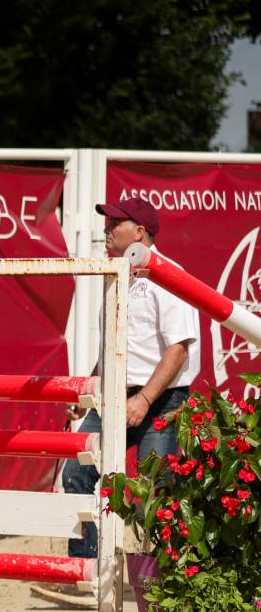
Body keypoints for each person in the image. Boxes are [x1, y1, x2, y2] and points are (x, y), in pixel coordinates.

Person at [63, 197, 200, 558]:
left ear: (139, 233)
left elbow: (179, 349)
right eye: (108, 223)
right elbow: (111, 347)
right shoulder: (117, 276)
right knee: (76, 473)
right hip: (112, 395)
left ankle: (163, 576)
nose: (106, 230)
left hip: (162, 400)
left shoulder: (170, 274)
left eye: (115, 224)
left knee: (156, 492)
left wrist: (143, 399)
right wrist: (86, 393)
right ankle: (85, 570)